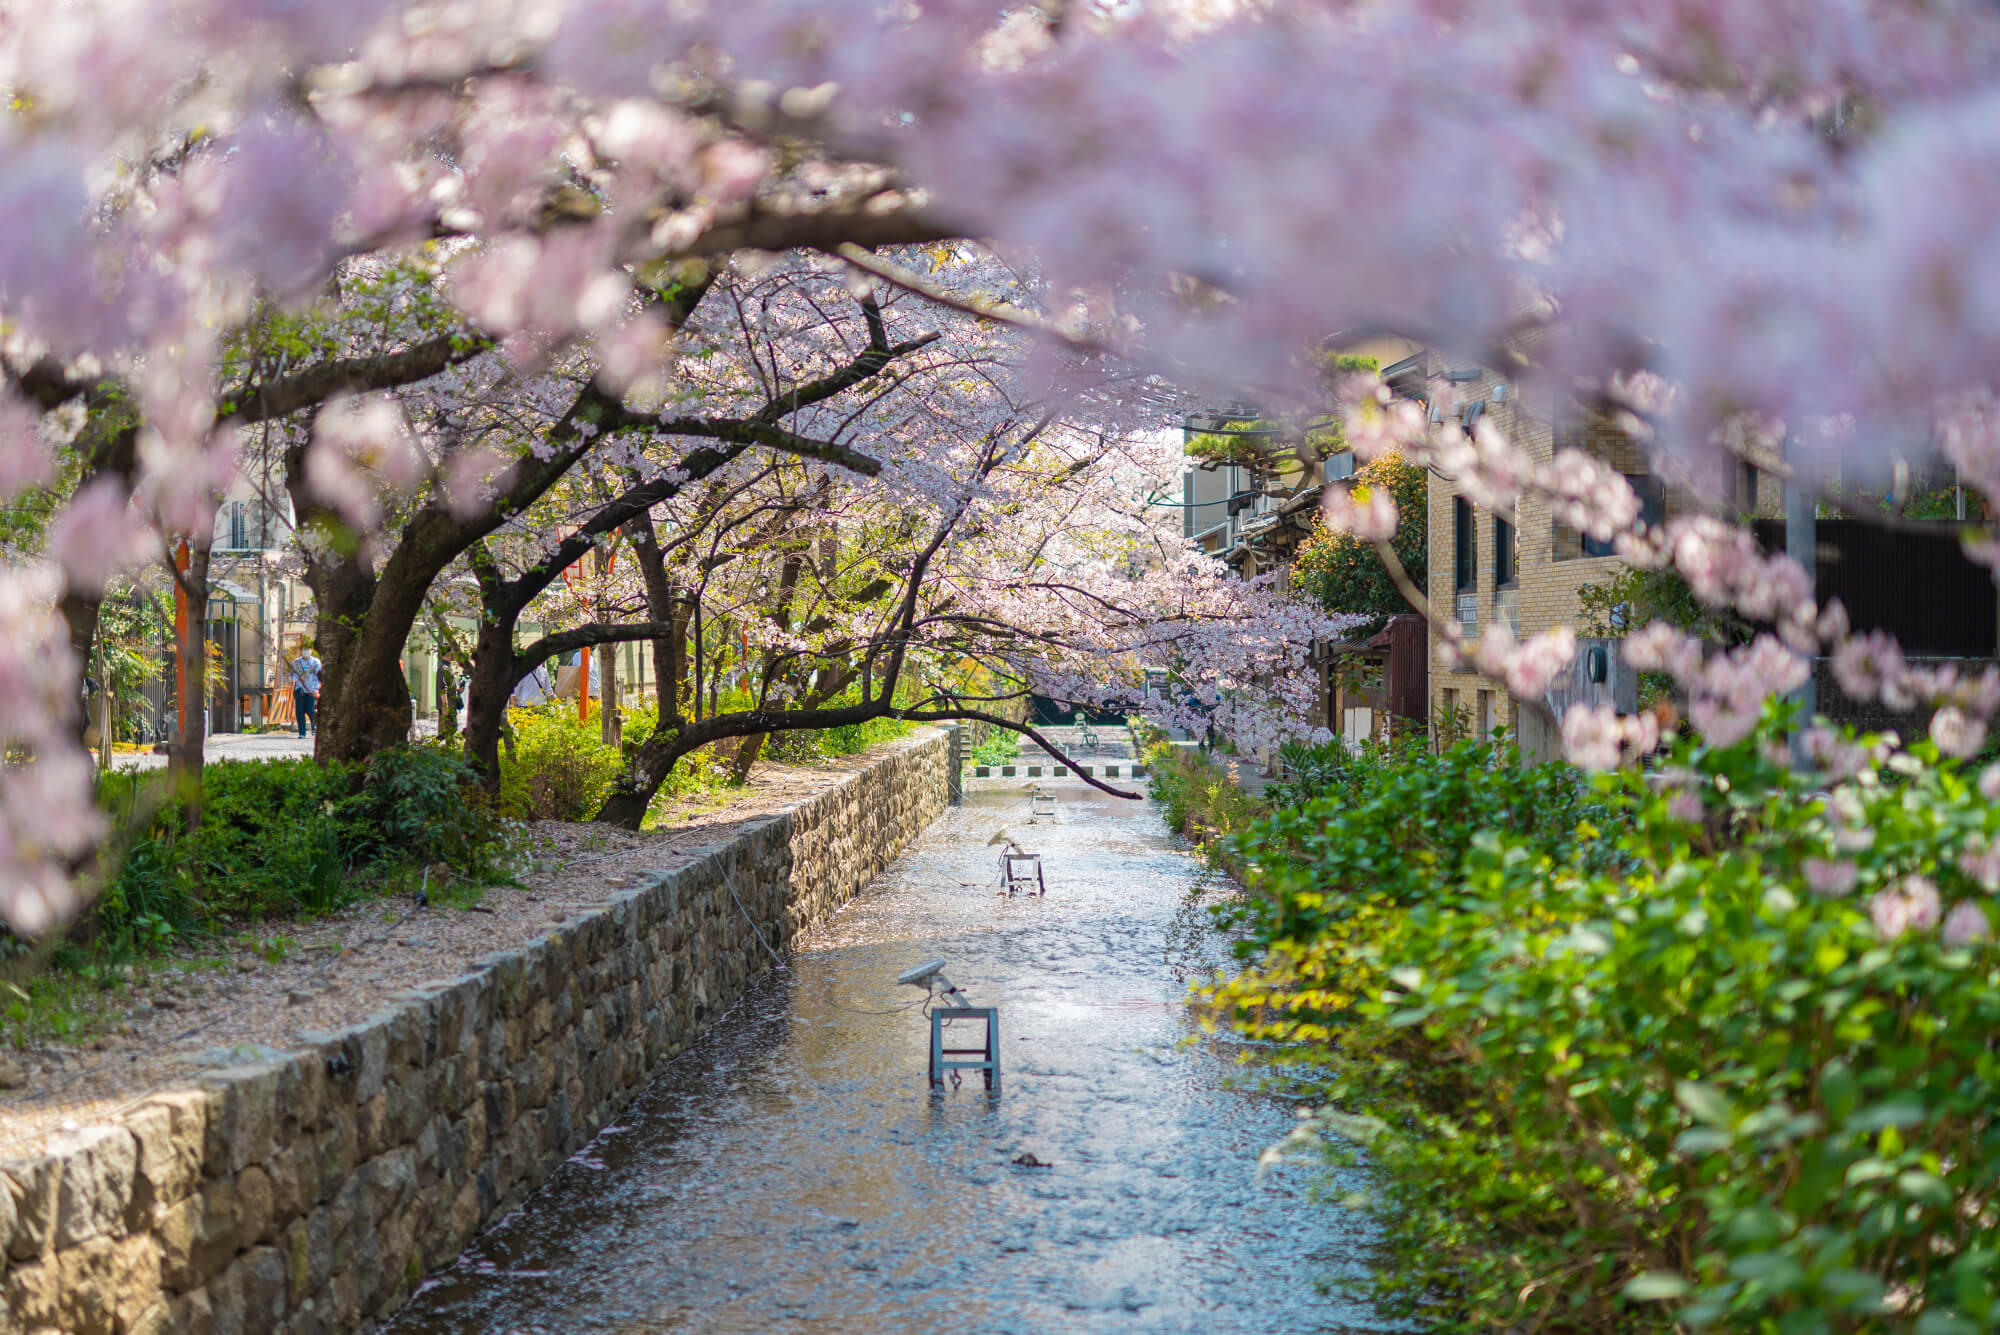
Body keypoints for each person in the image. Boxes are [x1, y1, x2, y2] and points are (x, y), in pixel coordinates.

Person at [289, 640, 322, 738]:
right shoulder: (296, 662)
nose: (305, 651)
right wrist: (299, 677)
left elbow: (319, 676)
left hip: (311, 690)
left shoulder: (316, 662)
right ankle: (302, 733)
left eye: (307, 649)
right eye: (304, 650)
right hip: (300, 690)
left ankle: (314, 726)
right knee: (299, 711)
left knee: (310, 710)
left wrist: (316, 689)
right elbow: (291, 676)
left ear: (311, 650)